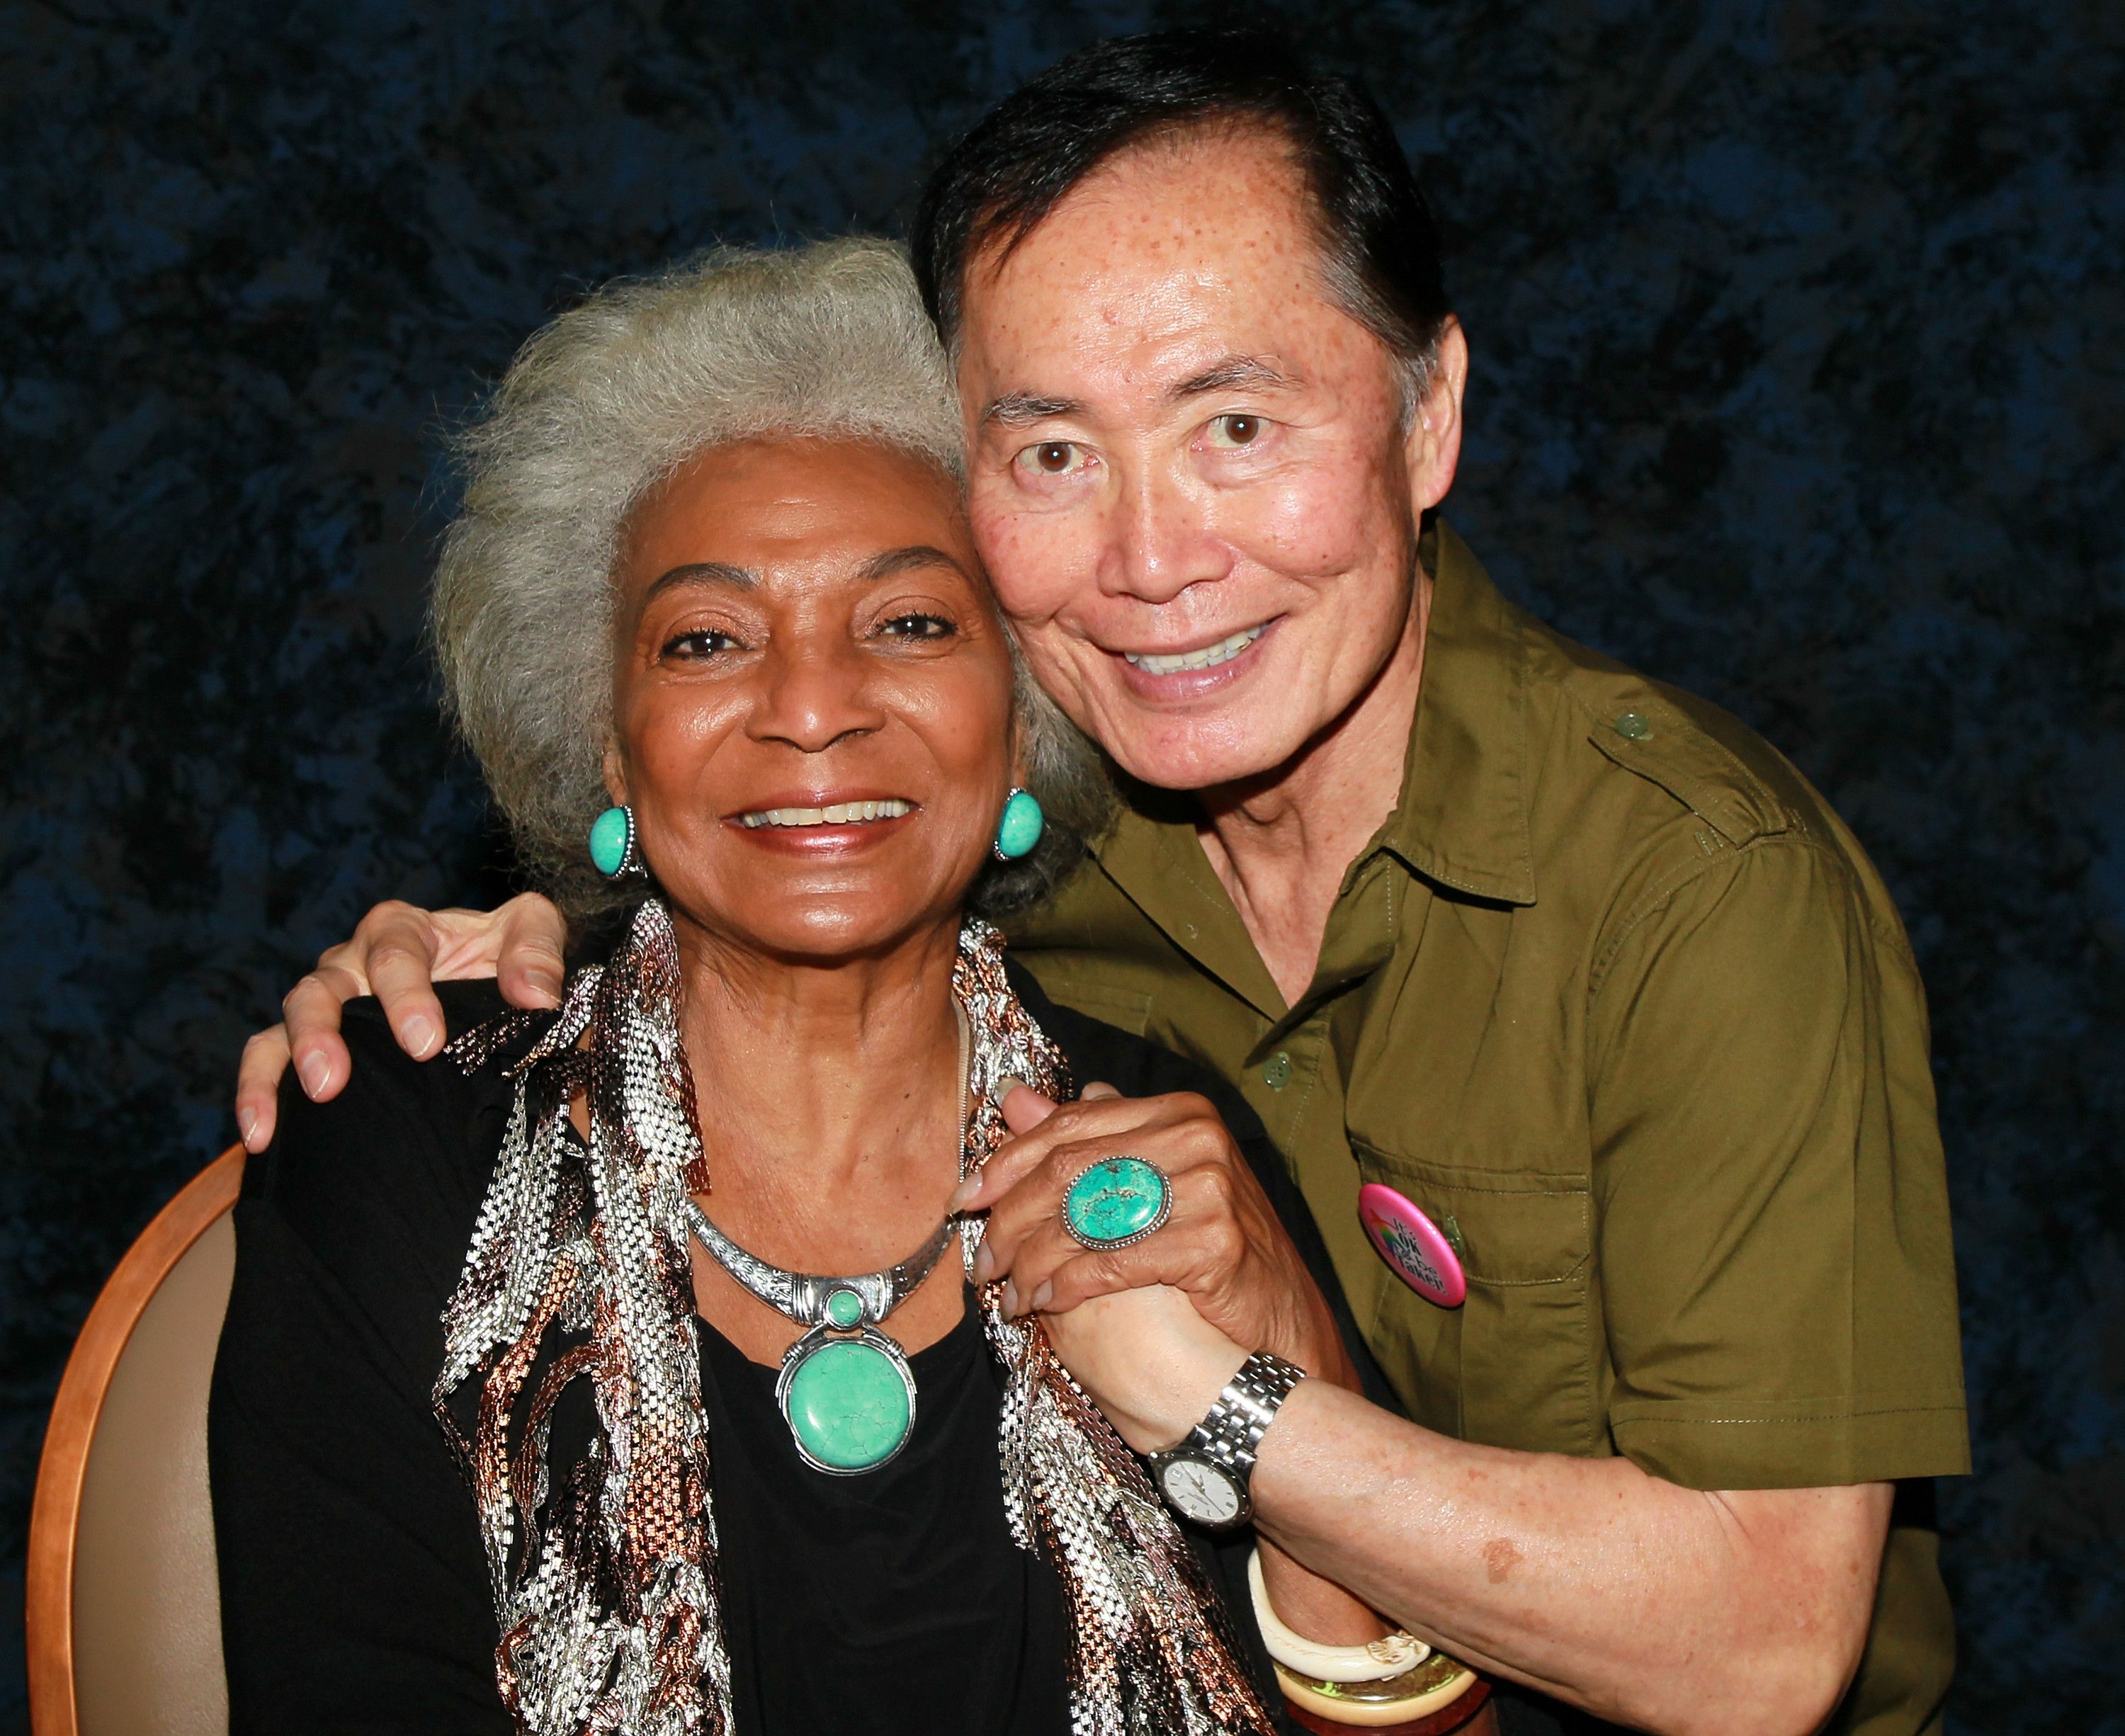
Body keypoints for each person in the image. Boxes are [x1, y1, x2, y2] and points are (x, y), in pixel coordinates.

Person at [234, 30, 1968, 1736]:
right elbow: (803, 843)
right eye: (1058, 453)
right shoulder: (1069, 817)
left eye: (1236, 422)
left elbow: (1763, 1655)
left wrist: (1228, 1397)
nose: (1150, 562)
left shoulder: (1694, 886)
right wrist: (516, 951)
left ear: (1429, 413)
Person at [210, 239, 1492, 1736]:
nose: (813, 709)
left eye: (910, 623)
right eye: (707, 640)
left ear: (1023, 714)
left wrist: (1289, 1378)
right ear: (609, 741)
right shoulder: (405, 1147)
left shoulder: (1165, 1142)